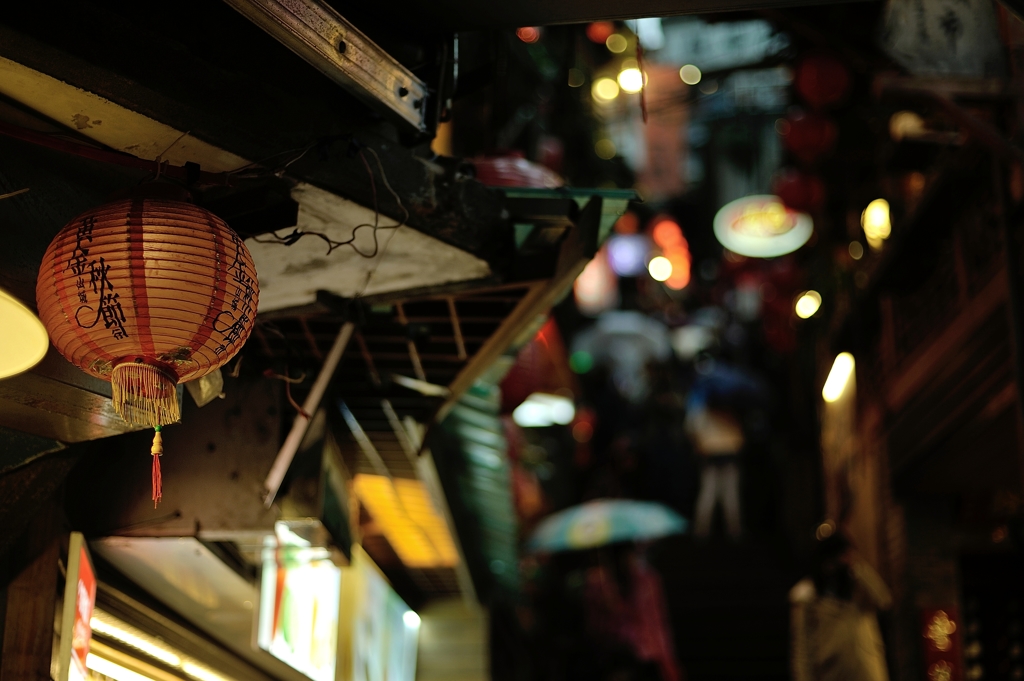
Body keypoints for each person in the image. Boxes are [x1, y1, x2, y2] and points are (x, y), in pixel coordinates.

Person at [790, 522, 892, 681]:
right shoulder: (809, 597)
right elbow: (804, 650)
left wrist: (857, 567)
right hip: (833, 673)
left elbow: (883, 600)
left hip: (867, 670)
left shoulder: (858, 588)